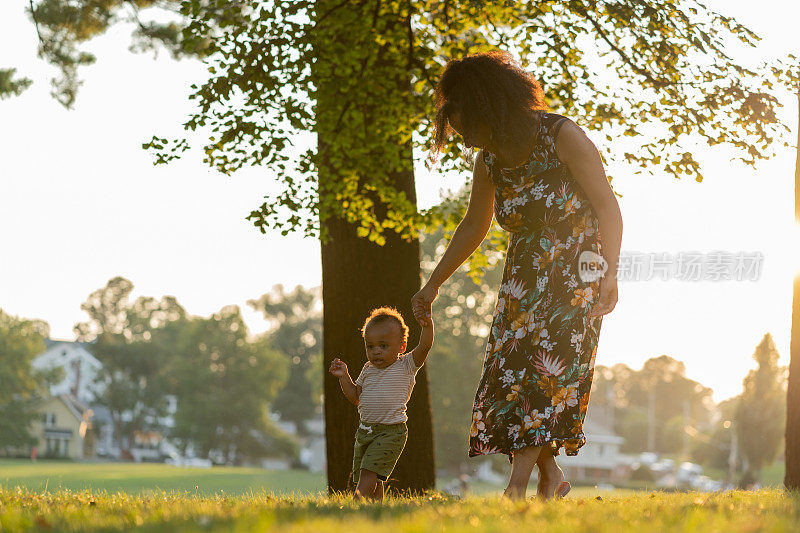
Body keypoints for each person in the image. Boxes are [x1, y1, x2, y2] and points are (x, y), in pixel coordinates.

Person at [412, 50, 622, 501]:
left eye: (466, 122)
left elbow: (608, 207)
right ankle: (552, 478)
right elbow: (474, 224)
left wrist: (610, 275)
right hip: (523, 276)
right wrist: (433, 284)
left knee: (544, 373)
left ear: (490, 106)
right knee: (509, 375)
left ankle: (516, 488)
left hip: (576, 271)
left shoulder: (562, 136)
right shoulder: (489, 160)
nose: (464, 136)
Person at [329, 306, 434, 501]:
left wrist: (427, 326)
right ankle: (375, 508)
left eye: (383, 346)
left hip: (390, 432)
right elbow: (355, 396)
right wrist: (344, 376)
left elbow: (425, 346)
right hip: (365, 431)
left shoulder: (406, 365)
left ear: (401, 347)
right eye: (370, 346)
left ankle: (355, 506)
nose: (376, 352)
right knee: (372, 476)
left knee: (369, 471)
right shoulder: (368, 369)